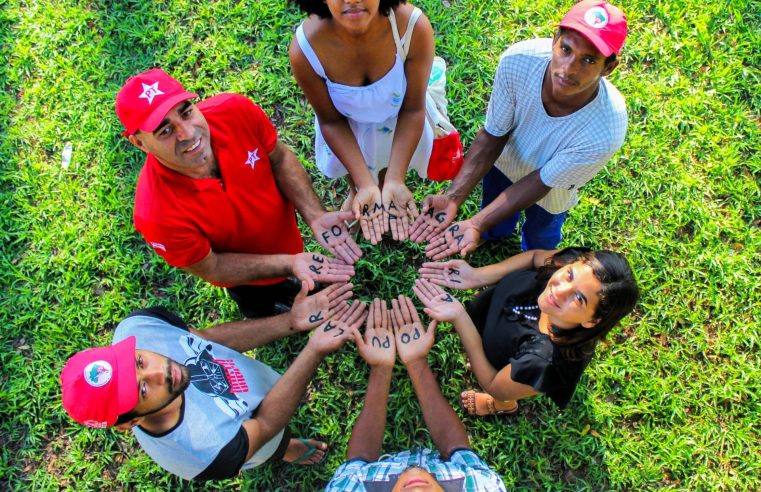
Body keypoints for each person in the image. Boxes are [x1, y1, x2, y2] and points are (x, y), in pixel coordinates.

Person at [116, 68, 363, 318]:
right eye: (165, 131)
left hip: (287, 238)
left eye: (186, 112)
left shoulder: (235, 111)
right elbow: (213, 267)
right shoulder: (156, 215)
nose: (188, 134)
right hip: (247, 282)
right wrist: (290, 264)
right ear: (139, 143)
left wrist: (314, 215)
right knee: (261, 307)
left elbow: (279, 158)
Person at [60, 284, 367, 481]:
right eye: (142, 389)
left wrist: (291, 321)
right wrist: (313, 350)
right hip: (254, 436)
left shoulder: (138, 327)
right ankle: (287, 450)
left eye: (140, 362)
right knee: (271, 445)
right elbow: (265, 424)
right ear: (132, 422)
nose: (160, 372)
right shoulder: (203, 452)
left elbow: (201, 341)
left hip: (252, 391)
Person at [410, 0, 629, 258]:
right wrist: (454, 197)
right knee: (495, 212)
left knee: (542, 233)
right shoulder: (519, 62)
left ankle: (532, 257)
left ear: (609, 68)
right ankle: (493, 233)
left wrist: (476, 222)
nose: (568, 68)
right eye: (566, 49)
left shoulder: (606, 128)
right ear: (554, 40)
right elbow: (493, 134)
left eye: (589, 60)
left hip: (551, 193)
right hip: (503, 163)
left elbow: (543, 180)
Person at [416, 247, 638, 415]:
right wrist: (478, 276)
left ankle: (503, 407)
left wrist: (459, 318)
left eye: (579, 298)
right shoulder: (577, 266)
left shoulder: (543, 362)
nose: (559, 290)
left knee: (504, 391)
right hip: (499, 315)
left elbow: (494, 384)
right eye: (569, 275)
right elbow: (534, 257)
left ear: (592, 321)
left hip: (505, 369)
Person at [289, 0, 435, 243]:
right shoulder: (305, 50)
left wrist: (396, 179)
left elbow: (412, 109)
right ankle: (358, 190)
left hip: (400, 120)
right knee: (356, 168)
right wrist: (364, 184)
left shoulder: (412, 27)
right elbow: (332, 122)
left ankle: (387, 185)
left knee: (387, 160)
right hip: (346, 128)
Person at [325, 296, 507, 490]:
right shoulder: (481, 486)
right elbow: (459, 453)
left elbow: (358, 464)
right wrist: (416, 363)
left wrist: (381, 369)